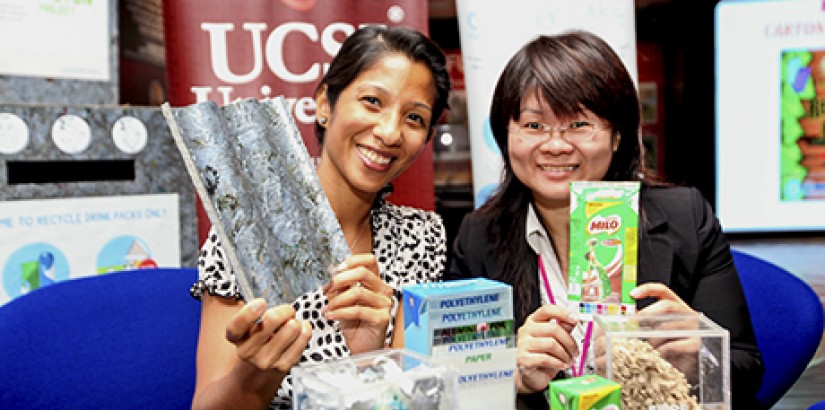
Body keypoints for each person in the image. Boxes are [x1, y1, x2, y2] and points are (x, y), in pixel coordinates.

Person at [445, 30, 764, 409]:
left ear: (617, 137)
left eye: (579, 125)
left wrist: (699, 357)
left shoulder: (684, 218)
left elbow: (747, 368)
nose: (555, 145)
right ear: (505, 136)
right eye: (533, 126)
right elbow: (455, 381)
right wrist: (509, 375)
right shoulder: (478, 236)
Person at [189, 25, 451, 410]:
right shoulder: (247, 230)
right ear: (325, 104)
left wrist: (370, 358)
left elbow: (413, 401)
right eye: (372, 102)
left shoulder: (422, 236)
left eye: (414, 118)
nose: (390, 131)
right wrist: (256, 375)